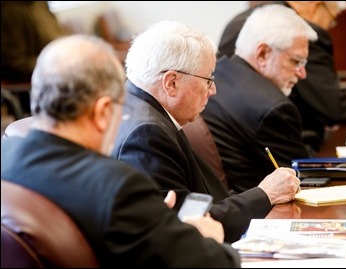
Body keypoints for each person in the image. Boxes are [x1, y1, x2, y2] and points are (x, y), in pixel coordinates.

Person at [1, 34, 241, 268]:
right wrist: (203, 237)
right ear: (103, 111)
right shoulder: (117, 187)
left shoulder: (5, 154)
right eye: (121, 109)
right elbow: (215, 262)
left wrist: (151, 221)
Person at [112, 20, 300, 243]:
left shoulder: (137, 106)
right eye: (208, 80)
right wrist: (265, 194)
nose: (213, 90)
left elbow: (202, 200)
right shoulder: (145, 135)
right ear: (171, 83)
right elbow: (190, 225)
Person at [217, 1, 346, 151]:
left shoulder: (241, 21)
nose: (330, 26)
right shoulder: (298, 34)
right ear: (316, 5)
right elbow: (334, 108)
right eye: (332, 19)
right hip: (278, 142)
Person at [202, 4, 317, 193]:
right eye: (296, 61)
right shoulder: (272, 108)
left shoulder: (217, 73)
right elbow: (303, 177)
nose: (302, 74)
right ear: (263, 54)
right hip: (261, 211)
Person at [1, 1, 66, 114]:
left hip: (57, 59)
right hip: (32, 71)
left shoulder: (40, 4)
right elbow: (15, 63)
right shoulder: (9, 10)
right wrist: (56, 64)